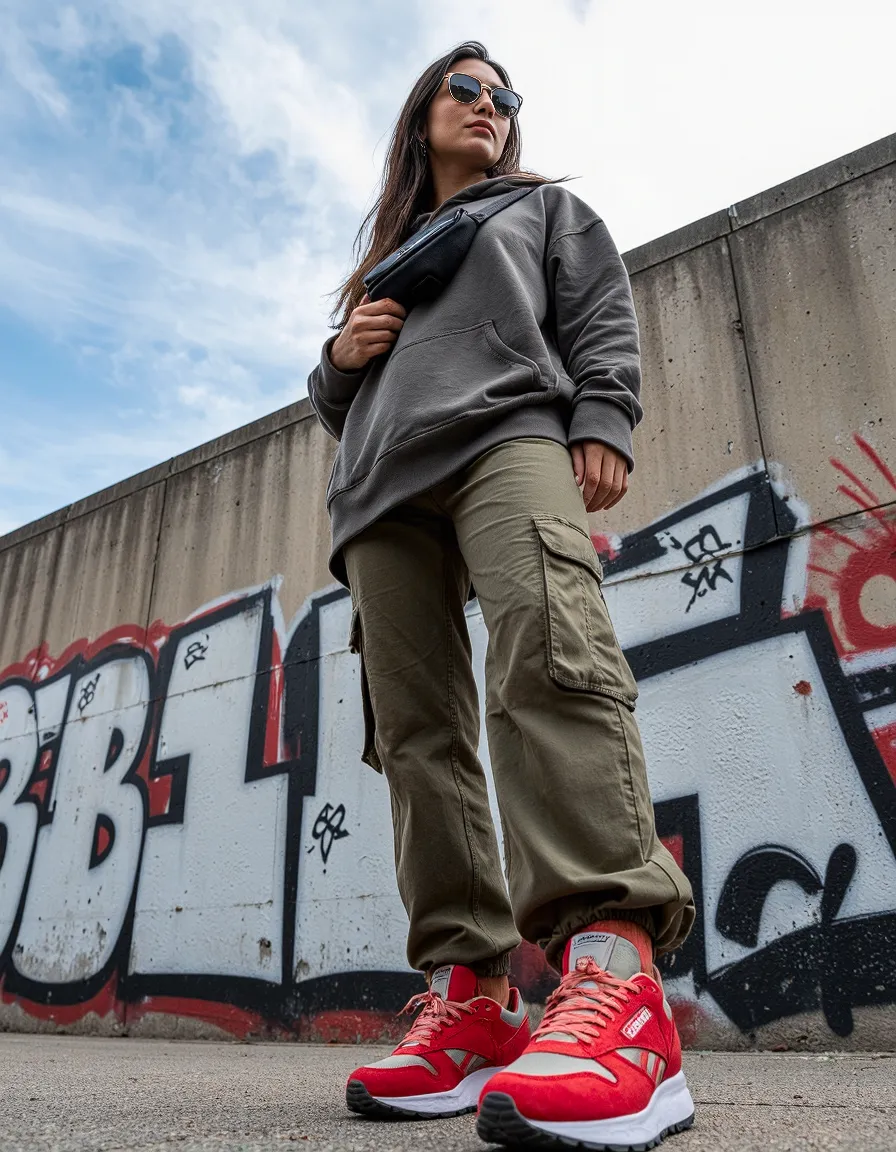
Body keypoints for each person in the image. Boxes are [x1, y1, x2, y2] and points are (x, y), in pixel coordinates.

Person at [306, 39, 696, 1151]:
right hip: (377, 492)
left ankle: (617, 987)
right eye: (462, 89)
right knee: (417, 735)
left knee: (547, 655)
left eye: (501, 96)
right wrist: (338, 359)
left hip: (507, 436)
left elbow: (601, 314)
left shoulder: (538, 211)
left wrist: (601, 416)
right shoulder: (384, 258)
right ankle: (470, 1001)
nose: (486, 105)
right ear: (420, 114)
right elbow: (335, 399)